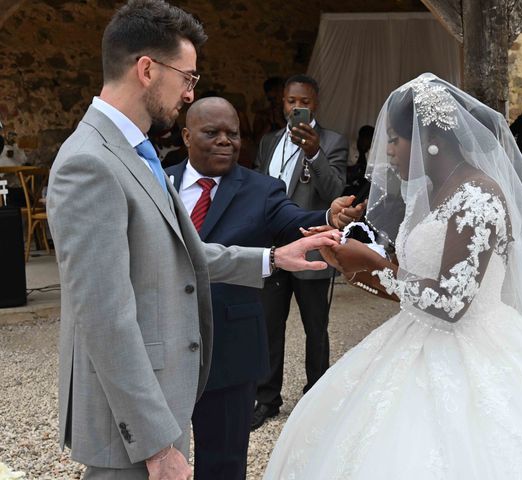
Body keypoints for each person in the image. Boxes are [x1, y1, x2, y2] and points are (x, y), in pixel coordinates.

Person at [262, 73, 522, 479]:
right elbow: (412, 269)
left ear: (429, 141)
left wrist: (369, 267)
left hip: (472, 344)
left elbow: (450, 304)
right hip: (416, 332)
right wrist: (346, 254)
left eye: (394, 140)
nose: (386, 151)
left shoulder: (477, 198)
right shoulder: (429, 191)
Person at [45, 2, 338, 479]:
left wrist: (274, 258)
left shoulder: (135, 149)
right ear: (146, 70)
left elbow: (177, 255)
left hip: (159, 402)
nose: (188, 92)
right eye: (188, 77)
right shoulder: (89, 163)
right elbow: (104, 317)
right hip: (131, 428)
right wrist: (157, 446)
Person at [165, 97, 362, 480]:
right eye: (212, 133)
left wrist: (326, 216)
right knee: (157, 461)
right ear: (187, 136)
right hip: (163, 344)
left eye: (233, 134)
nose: (225, 141)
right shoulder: (157, 180)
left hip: (230, 345)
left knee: (223, 462)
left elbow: (294, 220)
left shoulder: (261, 189)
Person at [253, 74, 349, 430]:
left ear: (315, 104)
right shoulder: (269, 142)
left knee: (316, 328)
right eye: (291, 102)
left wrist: (315, 152)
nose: (296, 108)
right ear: (283, 103)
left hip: (311, 251)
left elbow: (335, 187)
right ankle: (266, 399)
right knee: (268, 326)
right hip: (273, 250)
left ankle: (316, 397)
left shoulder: (334, 141)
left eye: (303, 102)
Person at [252, 76, 286, 145]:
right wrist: (269, 123)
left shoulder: (293, 113)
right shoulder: (262, 115)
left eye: (279, 91)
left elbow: (296, 139)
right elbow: (257, 142)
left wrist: (280, 121)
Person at [343, 125, 374, 200]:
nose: (368, 143)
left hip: (363, 189)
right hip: (346, 187)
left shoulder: (373, 151)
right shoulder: (348, 148)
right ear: (360, 138)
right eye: (366, 140)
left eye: (371, 140)